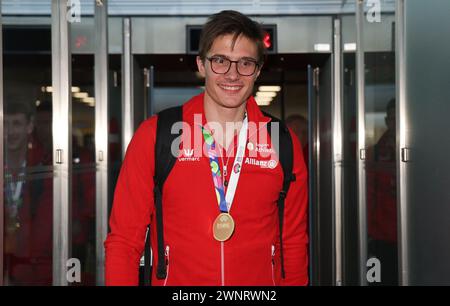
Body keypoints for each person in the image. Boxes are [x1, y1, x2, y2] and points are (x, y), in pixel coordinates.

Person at [104, 10, 308, 286]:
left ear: (258, 70)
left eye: (245, 63)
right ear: (201, 64)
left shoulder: (281, 142)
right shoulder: (156, 135)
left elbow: (293, 243)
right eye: (220, 61)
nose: (233, 75)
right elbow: (124, 242)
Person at [4, 99, 53, 285]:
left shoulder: (44, 166)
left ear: (30, 126)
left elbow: (45, 226)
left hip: (34, 270)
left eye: (17, 123)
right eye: (5, 124)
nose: (10, 131)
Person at [366, 98, 398, 285]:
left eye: (399, 118)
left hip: (415, 235)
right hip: (380, 238)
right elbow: (367, 197)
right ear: (387, 121)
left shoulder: (420, 151)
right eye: (393, 119)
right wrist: (368, 232)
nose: (396, 124)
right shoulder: (375, 153)